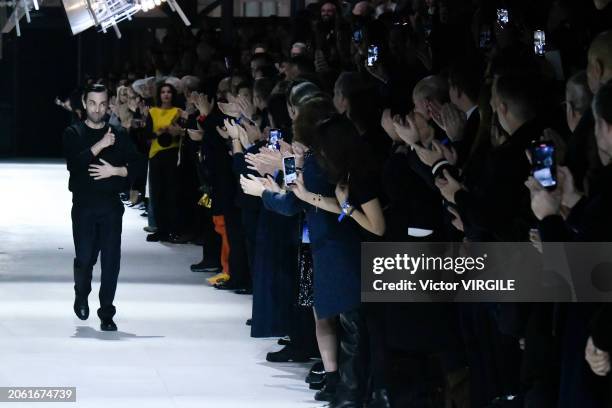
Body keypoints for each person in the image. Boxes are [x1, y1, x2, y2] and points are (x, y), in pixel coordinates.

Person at [62, 83, 144, 331]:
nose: (97, 109)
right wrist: (100, 146)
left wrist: (116, 170)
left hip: (110, 207)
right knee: (85, 258)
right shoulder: (73, 133)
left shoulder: (118, 134)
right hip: (84, 207)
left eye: (102, 104)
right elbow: (74, 165)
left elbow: (139, 164)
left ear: (108, 105)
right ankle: (81, 292)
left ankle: (106, 312)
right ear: (85, 104)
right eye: (92, 103)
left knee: (111, 262)